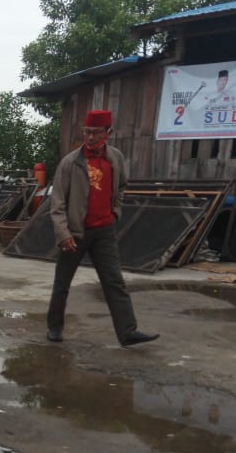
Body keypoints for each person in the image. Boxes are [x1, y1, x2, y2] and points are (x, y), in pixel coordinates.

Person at [46, 109, 159, 347]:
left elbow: (122, 187)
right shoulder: (70, 163)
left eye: (96, 133)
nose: (90, 137)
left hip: (104, 231)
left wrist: (115, 213)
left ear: (109, 132)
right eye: (87, 132)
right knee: (62, 283)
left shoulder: (115, 158)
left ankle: (128, 332)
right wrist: (63, 234)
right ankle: (54, 327)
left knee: (114, 282)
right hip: (75, 233)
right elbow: (57, 203)